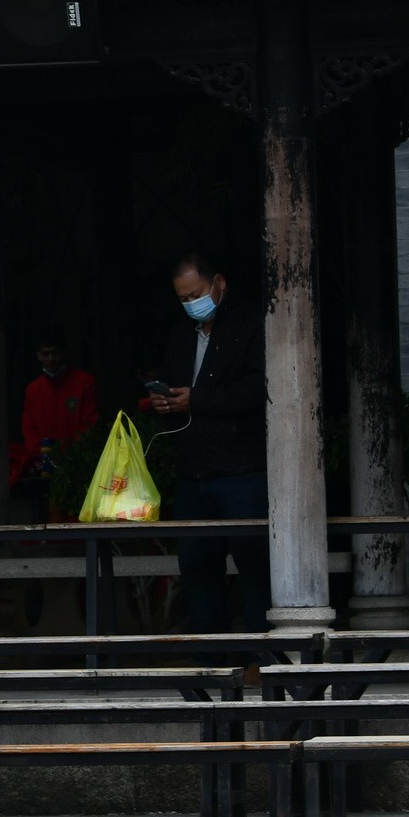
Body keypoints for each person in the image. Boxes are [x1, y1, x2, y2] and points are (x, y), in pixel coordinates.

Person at [141, 252, 268, 634]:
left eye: (195, 294)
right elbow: (171, 379)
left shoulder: (250, 323)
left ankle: (262, 659)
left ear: (219, 283)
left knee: (255, 568)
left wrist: (197, 399)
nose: (191, 304)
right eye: (182, 298)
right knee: (196, 568)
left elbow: (258, 389)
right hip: (193, 470)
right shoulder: (181, 332)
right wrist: (163, 400)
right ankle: (212, 659)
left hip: (241, 468)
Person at [8, 331, 100, 520]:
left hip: (76, 465)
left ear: (64, 353)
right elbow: (29, 429)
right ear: (38, 355)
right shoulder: (33, 390)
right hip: (43, 469)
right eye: (46, 353)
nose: (51, 359)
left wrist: (67, 455)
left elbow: (89, 425)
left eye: (55, 353)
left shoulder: (84, 383)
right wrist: (43, 458)